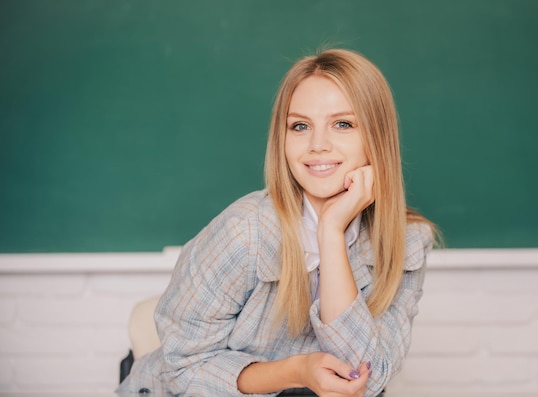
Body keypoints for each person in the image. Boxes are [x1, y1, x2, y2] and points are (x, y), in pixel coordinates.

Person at [117, 48, 435, 397]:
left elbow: (364, 378)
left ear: (376, 136)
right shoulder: (244, 231)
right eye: (300, 126)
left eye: (342, 124)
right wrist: (296, 371)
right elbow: (183, 368)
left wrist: (330, 233)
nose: (317, 145)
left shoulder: (408, 241)